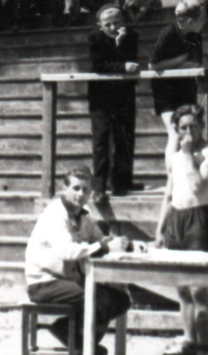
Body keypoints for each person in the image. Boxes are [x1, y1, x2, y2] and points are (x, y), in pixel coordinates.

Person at [155, 103, 208, 355]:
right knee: (181, 288)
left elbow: (198, 186)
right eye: (183, 128)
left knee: (200, 288)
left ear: (202, 125)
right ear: (177, 131)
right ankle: (189, 340)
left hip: (200, 219)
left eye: (193, 125)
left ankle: (204, 346)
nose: (189, 131)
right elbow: (169, 193)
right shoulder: (178, 155)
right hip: (176, 220)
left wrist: (189, 155)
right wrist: (159, 229)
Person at [25, 166, 132, 355]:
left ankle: (77, 339)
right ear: (63, 188)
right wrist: (105, 247)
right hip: (44, 282)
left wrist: (121, 243)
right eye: (75, 188)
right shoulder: (55, 214)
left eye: (85, 190)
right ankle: (76, 339)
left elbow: (97, 239)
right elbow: (66, 251)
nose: (80, 194)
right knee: (97, 298)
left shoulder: (84, 213)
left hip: (69, 280)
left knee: (120, 299)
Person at [87, 4, 141, 209]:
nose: (112, 27)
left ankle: (121, 183)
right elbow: (98, 65)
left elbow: (132, 63)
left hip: (124, 95)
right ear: (100, 26)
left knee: (125, 138)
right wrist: (120, 63)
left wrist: (120, 44)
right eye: (107, 24)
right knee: (101, 141)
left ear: (123, 22)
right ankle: (99, 187)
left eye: (116, 22)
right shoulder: (94, 38)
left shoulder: (132, 36)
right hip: (101, 97)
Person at [148, 0, 206, 141]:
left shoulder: (195, 35)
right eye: (203, 19)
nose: (205, 22)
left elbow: (196, 64)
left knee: (191, 134)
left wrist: (182, 64)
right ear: (191, 21)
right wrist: (180, 60)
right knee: (174, 133)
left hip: (186, 87)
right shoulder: (168, 33)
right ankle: (172, 163)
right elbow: (153, 65)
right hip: (166, 90)